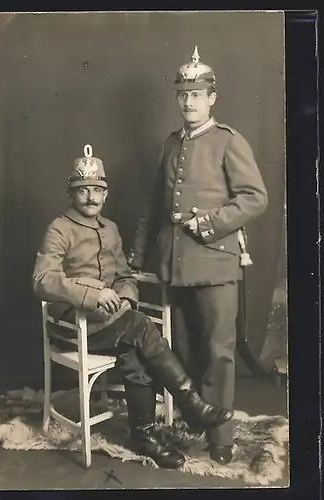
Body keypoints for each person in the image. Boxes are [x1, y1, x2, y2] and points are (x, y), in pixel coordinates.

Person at [32, 144, 233, 470]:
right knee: (139, 327)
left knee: (134, 352)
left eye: (97, 190)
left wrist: (125, 297)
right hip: (73, 325)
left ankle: (144, 435)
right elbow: (42, 279)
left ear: (106, 194)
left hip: (112, 323)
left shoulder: (110, 229)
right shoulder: (59, 229)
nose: (90, 198)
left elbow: (125, 276)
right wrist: (93, 294)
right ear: (72, 193)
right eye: (83, 191)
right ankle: (191, 404)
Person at [128, 47, 268, 465]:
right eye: (182, 94)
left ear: (212, 97)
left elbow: (254, 198)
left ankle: (220, 437)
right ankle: (193, 423)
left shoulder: (228, 140)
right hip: (175, 263)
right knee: (182, 349)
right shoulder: (172, 144)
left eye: (197, 93)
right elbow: (154, 205)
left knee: (219, 351)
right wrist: (138, 258)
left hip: (217, 262)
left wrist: (208, 224)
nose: (189, 101)